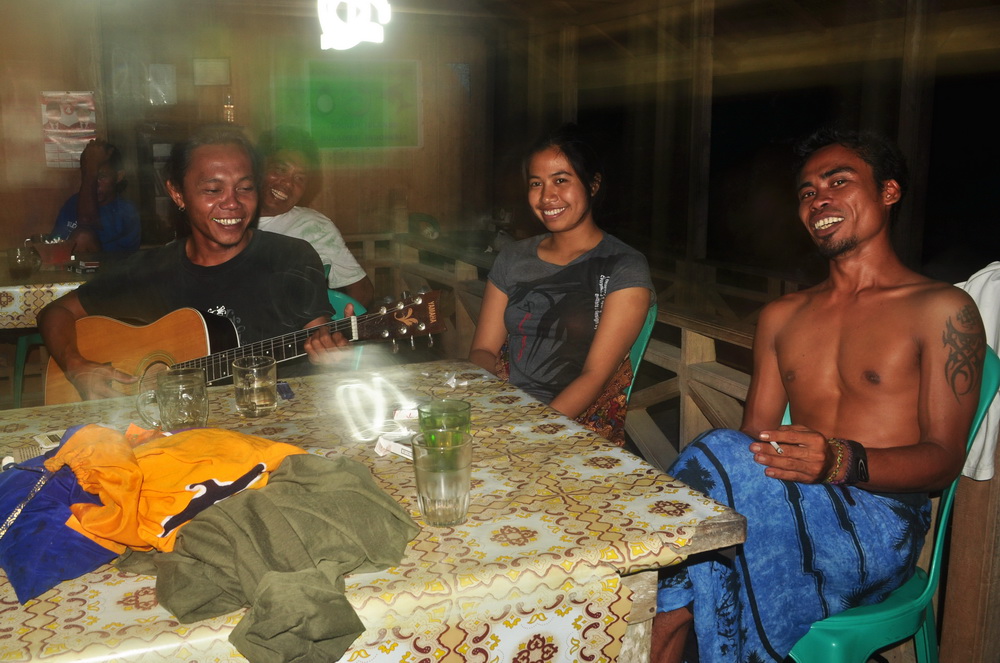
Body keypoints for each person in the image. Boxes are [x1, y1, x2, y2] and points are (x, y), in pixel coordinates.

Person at [651, 129, 987, 663]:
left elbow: (943, 461)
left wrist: (838, 460)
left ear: (889, 192)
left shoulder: (942, 310)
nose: (819, 200)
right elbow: (753, 439)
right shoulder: (782, 316)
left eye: (838, 182)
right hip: (784, 501)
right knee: (714, 485)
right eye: (807, 192)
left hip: (880, 524)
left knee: (695, 518)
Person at [38, 125, 348, 401]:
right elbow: (55, 312)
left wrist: (329, 355)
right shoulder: (153, 270)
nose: (233, 203)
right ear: (177, 194)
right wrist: (76, 366)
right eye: (213, 190)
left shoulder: (291, 257)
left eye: (245, 188)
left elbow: (317, 341)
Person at [468, 124, 654, 445]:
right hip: (506, 412)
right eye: (536, 183)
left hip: (573, 428)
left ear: (593, 184)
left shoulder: (623, 266)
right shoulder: (513, 257)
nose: (546, 196)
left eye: (561, 180)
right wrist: (490, 400)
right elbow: (483, 349)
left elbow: (595, 375)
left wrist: (533, 431)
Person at [256, 126, 374, 309]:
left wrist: (336, 325)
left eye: (299, 178)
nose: (288, 183)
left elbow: (362, 290)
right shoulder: (228, 216)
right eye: (280, 169)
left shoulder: (313, 227)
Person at [50, 139, 141, 255]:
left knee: (83, 237)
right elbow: (55, 242)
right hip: (72, 265)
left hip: (112, 265)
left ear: (119, 177)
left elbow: (86, 221)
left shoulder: (126, 211)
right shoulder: (73, 202)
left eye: (102, 176)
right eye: (87, 175)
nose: (94, 184)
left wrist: (92, 167)